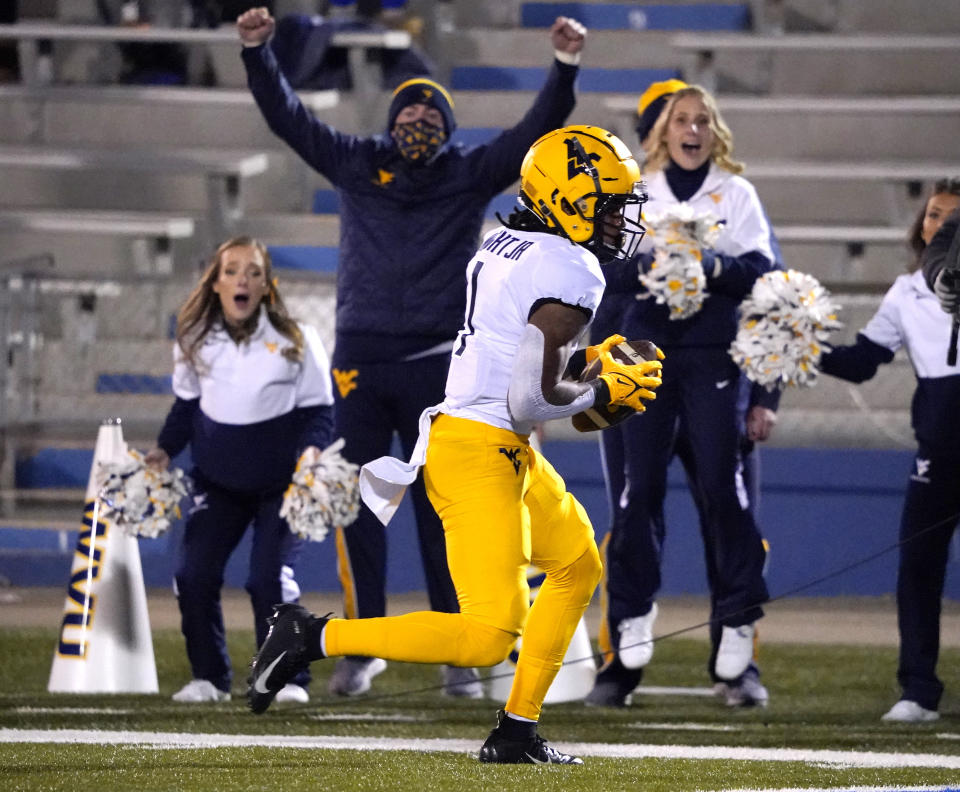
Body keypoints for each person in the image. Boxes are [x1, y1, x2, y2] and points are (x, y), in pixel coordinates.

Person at [244, 125, 663, 765]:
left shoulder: (511, 241)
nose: (620, 220)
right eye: (609, 204)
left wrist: (584, 373)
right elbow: (532, 399)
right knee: (487, 635)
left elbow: (524, 373)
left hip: (487, 439)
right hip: (478, 450)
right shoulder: (570, 267)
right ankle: (310, 635)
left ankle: (516, 730)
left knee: (577, 564)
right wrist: (599, 389)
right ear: (569, 200)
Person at [236, 5, 587, 698]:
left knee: (442, 507)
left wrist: (564, 69)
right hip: (362, 359)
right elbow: (290, 120)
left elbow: (533, 136)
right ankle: (363, 646)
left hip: (436, 362)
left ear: (449, 131)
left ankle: (462, 641)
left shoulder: (466, 172)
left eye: (431, 116)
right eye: (407, 111)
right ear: (388, 120)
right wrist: (258, 54)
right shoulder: (358, 162)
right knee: (358, 507)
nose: (417, 123)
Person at [586, 84, 779, 709]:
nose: (691, 130)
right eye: (680, 121)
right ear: (663, 132)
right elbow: (603, 268)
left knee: (725, 495)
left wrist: (709, 267)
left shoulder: (737, 193)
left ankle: (738, 632)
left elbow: (767, 278)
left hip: (715, 359)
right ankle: (632, 619)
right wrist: (651, 265)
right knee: (636, 493)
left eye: (702, 121)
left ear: (713, 130)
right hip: (642, 357)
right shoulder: (638, 186)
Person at [145, 235, 335, 704]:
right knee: (193, 574)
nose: (241, 280)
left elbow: (319, 412)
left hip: (281, 485)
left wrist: (312, 454)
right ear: (215, 283)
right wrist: (163, 451)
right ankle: (209, 678)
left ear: (267, 284)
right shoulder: (193, 338)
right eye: (231, 271)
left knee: (266, 580)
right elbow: (187, 406)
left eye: (252, 271)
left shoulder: (297, 339)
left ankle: (288, 679)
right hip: (218, 483)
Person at [820, 179, 960, 723]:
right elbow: (862, 362)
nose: (940, 226)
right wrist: (804, 348)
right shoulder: (905, 293)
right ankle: (919, 690)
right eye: (933, 216)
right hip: (941, 444)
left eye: (953, 218)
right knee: (919, 568)